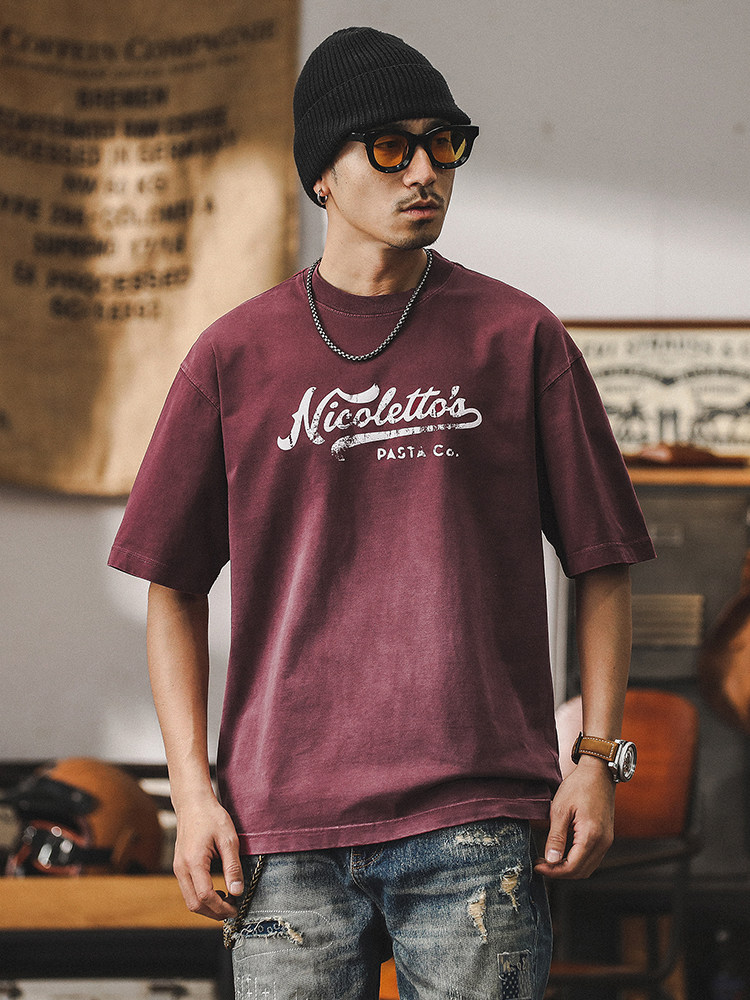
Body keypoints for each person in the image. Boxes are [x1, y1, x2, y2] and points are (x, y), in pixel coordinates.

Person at [109, 26, 655, 1000]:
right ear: (322, 174)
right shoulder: (235, 357)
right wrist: (192, 794)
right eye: (392, 148)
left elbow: (602, 561)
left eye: (444, 144)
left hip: (476, 819)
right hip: (281, 833)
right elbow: (171, 586)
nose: (426, 172)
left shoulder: (518, 338)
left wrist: (597, 759)